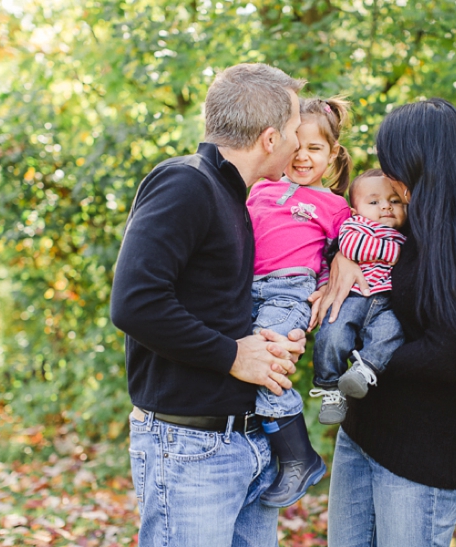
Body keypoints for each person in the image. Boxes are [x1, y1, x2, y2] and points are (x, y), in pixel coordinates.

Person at [314, 98, 456, 547]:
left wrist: (362, 360)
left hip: (424, 447)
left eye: (391, 162)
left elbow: (447, 355)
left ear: (421, 159)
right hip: (364, 429)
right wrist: (344, 256)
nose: (386, 174)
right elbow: (370, 246)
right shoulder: (413, 210)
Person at [110, 63, 309, 547]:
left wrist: (275, 342)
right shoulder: (186, 183)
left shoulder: (236, 198)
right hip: (189, 449)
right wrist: (235, 355)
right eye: (295, 128)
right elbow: (134, 304)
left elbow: (219, 308)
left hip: (247, 444)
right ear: (268, 138)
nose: (300, 140)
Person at [246, 97, 352, 507]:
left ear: (332, 154)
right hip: (246, 289)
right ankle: (265, 451)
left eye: (316, 148)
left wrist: (327, 286)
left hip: (289, 292)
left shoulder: (336, 205)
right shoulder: (260, 189)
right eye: (298, 145)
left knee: (268, 359)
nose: (303, 156)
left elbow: (344, 254)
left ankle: (298, 457)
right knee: (241, 364)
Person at [309, 169, 407, 425]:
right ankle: (330, 388)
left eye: (394, 200)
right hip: (353, 297)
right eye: (374, 202)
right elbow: (354, 247)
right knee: (332, 333)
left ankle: (364, 371)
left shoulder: (408, 232)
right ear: (355, 210)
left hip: (387, 302)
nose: (386, 206)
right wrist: (398, 253)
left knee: (392, 332)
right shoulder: (356, 226)